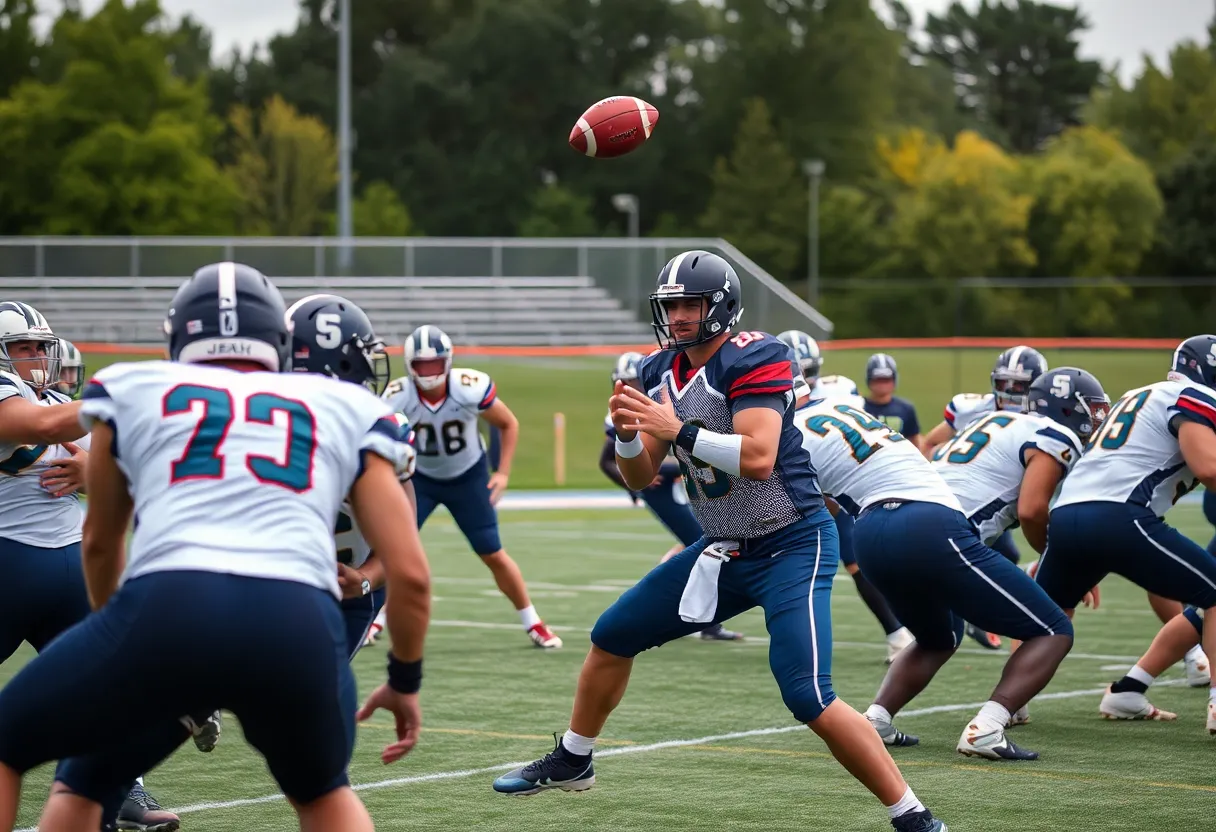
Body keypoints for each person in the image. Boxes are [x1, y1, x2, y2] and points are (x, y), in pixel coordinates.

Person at [492, 250, 946, 832]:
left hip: (792, 542)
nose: (678, 316)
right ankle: (575, 759)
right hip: (725, 546)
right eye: (671, 305)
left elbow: (757, 458)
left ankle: (913, 816)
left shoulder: (756, 355)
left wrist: (674, 428)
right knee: (611, 636)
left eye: (690, 304)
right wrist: (630, 436)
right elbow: (640, 475)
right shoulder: (660, 369)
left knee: (808, 695)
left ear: (721, 306)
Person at [0, 263, 431, 832]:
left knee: (39, 762)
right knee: (324, 795)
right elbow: (413, 575)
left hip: (168, 610)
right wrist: (404, 682)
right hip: (297, 623)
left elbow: (101, 544)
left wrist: (117, 637)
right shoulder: (352, 409)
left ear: (178, 337)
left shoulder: (135, 388)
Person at [0, 301, 179, 831]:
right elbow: (43, 425)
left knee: (110, 679)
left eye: (40, 347)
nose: (35, 358)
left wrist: (91, 468)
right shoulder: (39, 406)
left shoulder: (55, 399)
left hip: (68, 567)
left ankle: (120, 788)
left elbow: (121, 463)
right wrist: (120, 399)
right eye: (22, 348)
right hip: (8, 561)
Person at [864, 368, 1105, 759]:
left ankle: (875, 719)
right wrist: (1057, 558)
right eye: (1092, 410)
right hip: (933, 529)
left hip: (873, 526)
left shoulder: (992, 419)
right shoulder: (1054, 434)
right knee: (1053, 630)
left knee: (939, 636)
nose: (1096, 419)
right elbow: (1031, 509)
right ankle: (987, 727)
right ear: (1067, 407)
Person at [1035, 335, 1216, 736]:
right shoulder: (1195, 396)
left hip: (1066, 516)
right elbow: (1208, 466)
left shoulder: (1137, 396)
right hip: (1122, 515)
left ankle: (1002, 709)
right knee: (1213, 593)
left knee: (1045, 619)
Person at [382, 325, 561, 649]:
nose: (429, 373)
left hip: (468, 476)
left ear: (448, 362)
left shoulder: (468, 387)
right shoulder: (397, 395)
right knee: (391, 549)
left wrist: (503, 472)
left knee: (492, 552)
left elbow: (508, 423)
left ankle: (533, 621)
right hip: (418, 479)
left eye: (435, 364)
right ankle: (374, 620)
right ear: (409, 366)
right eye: (422, 366)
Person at [285, 293, 419, 659]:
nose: (368, 364)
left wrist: (363, 579)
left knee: (308, 700)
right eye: (361, 354)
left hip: (347, 597)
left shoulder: (378, 430)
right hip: (270, 587)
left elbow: (403, 541)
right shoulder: (264, 427)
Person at [778, 333, 913, 663]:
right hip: (800, 486)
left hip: (838, 488)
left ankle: (899, 632)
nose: (803, 378)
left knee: (855, 562)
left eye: (807, 370)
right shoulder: (771, 398)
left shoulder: (838, 391)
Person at [598, 351, 742, 641]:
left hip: (679, 479)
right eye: (626, 382)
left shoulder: (664, 399)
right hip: (661, 484)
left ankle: (663, 607)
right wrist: (635, 483)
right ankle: (691, 618)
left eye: (636, 381)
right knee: (702, 545)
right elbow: (607, 460)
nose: (633, 388)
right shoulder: (626, 410)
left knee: (696, 542)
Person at [862, 353, 921, 449]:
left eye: (886, 379)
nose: (882, 384)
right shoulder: (859, 407)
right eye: (877, 379)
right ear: (869, 380)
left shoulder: (906, 409)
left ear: (894, 380)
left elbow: (914, 441)